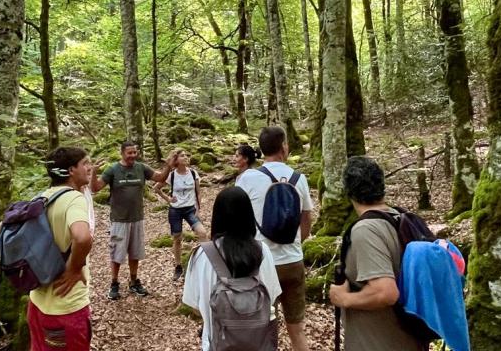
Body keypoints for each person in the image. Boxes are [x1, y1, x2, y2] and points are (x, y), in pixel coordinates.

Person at [328, 156, 425, 351]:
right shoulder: (402, 219)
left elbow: (385, 292)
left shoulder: (366, 231)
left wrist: (343, 299)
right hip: (410, 340)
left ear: (349, 193)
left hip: (378, 343)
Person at [235, 126, 313, 351]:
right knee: (297, 329)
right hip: (293, 261)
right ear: (284, 147)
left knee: (263, 330)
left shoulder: (247, 178)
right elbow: (307, 219)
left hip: (262, 264)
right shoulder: (299, 178)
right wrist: (297, 242)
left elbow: (239, 220)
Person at [182, 186, 282, 351]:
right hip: (259, 343)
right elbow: (271, 296)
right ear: (249, 216)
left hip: (216, 344)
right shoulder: (262, 251)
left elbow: (194, 305)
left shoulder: (202, 254)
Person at [27, 147, 94, 351]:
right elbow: (82, 238)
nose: (90, 168)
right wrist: (74, 268)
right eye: (85, 163)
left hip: (36, 304)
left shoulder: (40, 198)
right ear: (71, 170)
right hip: (66, 308)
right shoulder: (74, 199)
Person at [91, 141, 175, 300]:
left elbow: (160, 177)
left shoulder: (141, 168)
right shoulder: (113, 170)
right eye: (129, 153)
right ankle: (114, 283)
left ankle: (134, 280)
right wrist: (94, 172)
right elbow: (95, 188)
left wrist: (169, 166)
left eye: (134, 152)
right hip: (119, 219)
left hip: (137, 217)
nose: (132, 156)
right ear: (122, 153)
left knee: (135, 252)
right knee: (117, 253)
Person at [152, 148, 208, 281]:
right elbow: (156, 188)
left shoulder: (194, 173)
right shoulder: (171, 175)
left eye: (186, 155)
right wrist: (168, 199)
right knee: (177, 238)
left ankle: (205, 263)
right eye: (182, 156)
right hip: (175, 210)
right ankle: (178, 266)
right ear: (176, 160)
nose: (186, 157)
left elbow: (198, 193)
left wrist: (198, 208)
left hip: (190, 210)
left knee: (202, 233)